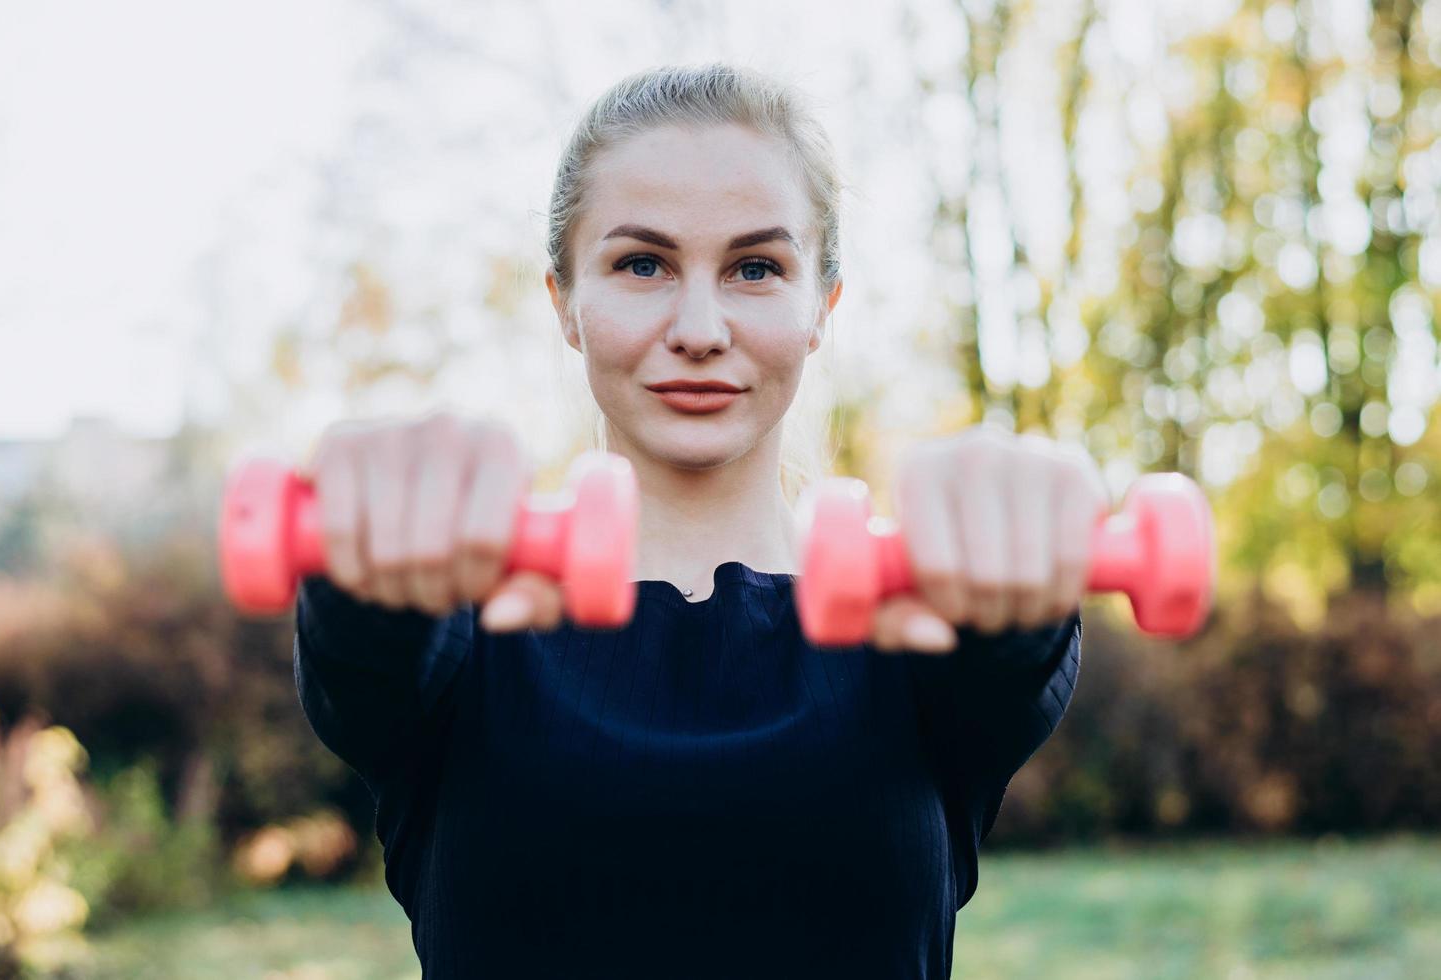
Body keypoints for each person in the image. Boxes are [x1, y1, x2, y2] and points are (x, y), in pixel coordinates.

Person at [293, 62, 1106, 979]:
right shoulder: (452, 615)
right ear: (565, 302)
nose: (700, 326)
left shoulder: (931, 616)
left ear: (820, 310)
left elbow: (1014, 652)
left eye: (756, 268)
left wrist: (1020, 508)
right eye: (643, 264)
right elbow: (364, 650)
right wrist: (368, 521)